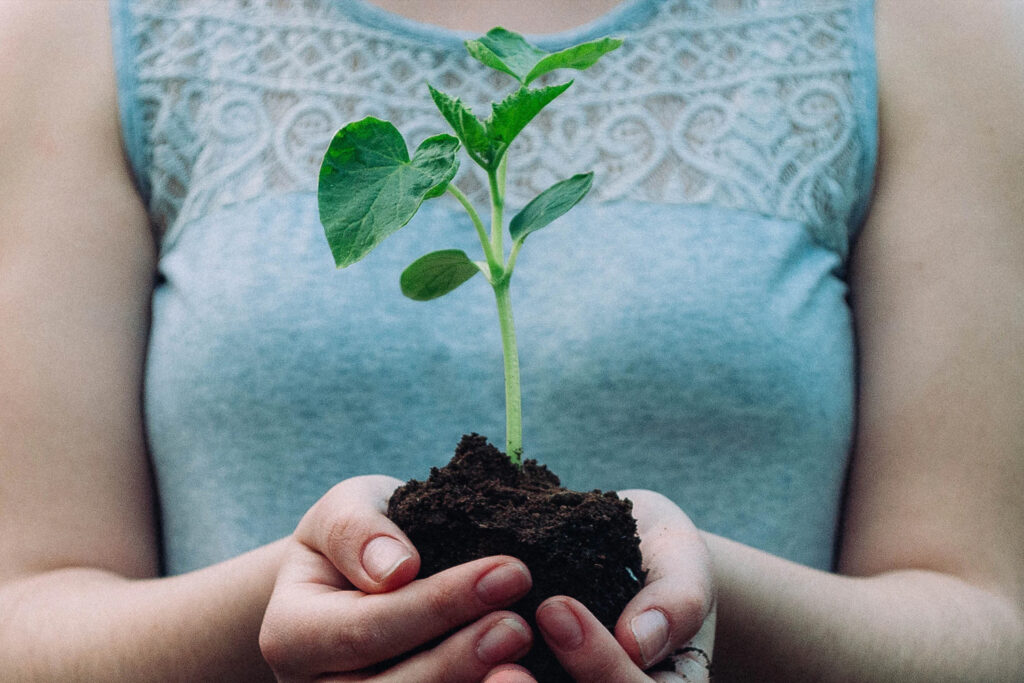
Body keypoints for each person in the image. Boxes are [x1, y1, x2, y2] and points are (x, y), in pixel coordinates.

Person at [1, 0, 1022, 680]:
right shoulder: (89, 27)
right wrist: (296, 603)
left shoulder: (923, 28)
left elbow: (984, 621)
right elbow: (25, 613)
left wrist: (701, 588)